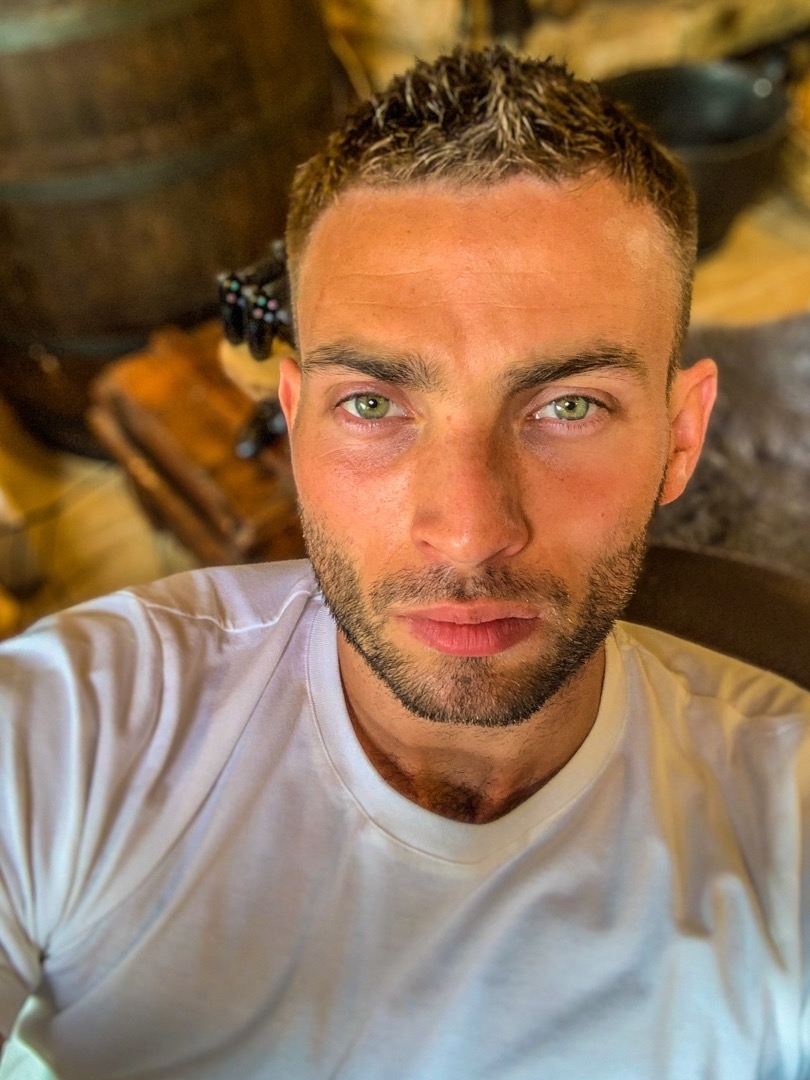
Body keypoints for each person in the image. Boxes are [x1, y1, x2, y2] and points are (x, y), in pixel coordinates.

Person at [1, 45, 808, 1080]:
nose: (467, 533)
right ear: (295, 424)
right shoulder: (79, 732)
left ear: (681, 437)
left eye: (569, 406)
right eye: (374, 405)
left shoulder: (781, 821)